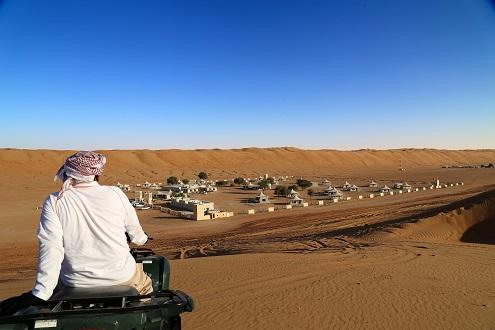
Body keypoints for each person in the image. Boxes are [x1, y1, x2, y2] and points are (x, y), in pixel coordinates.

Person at [0, 151, 152, 315]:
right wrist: (143, 239)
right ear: (97, 175)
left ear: (67, 173)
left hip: (75, 283)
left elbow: (51, 248)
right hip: (123, 277)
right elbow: (137, 236)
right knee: (148, 287)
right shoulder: (116, 193)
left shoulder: (55, 201)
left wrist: (41, 293)